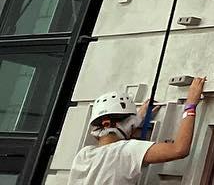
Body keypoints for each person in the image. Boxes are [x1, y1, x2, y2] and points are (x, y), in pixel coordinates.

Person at [69, 76, 206, 184]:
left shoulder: (83, 155)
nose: (133, 126)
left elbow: (109, 151)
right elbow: (179, 149)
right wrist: (190, 105)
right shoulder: (127, 151)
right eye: (130, 122)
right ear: (106, 123)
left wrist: (137, 118)